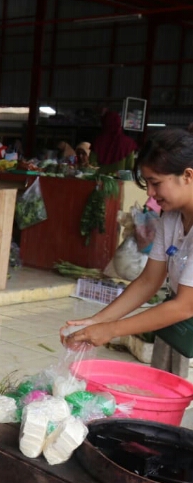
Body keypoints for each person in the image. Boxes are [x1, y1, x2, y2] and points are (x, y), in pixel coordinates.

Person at [67, 129, 193, 376]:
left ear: (187, 176)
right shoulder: (171, 218)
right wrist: (97, 322)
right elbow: (148, 281)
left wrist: (112, 330)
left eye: (156, 183)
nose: (150, 194)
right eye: (147, 184)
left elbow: (184, 306)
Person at [92, 109, 137, 174]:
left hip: (99, 180)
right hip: (120, 181)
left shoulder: (97, 142)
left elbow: (92, 165)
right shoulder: (128, 143)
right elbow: (130, 167)